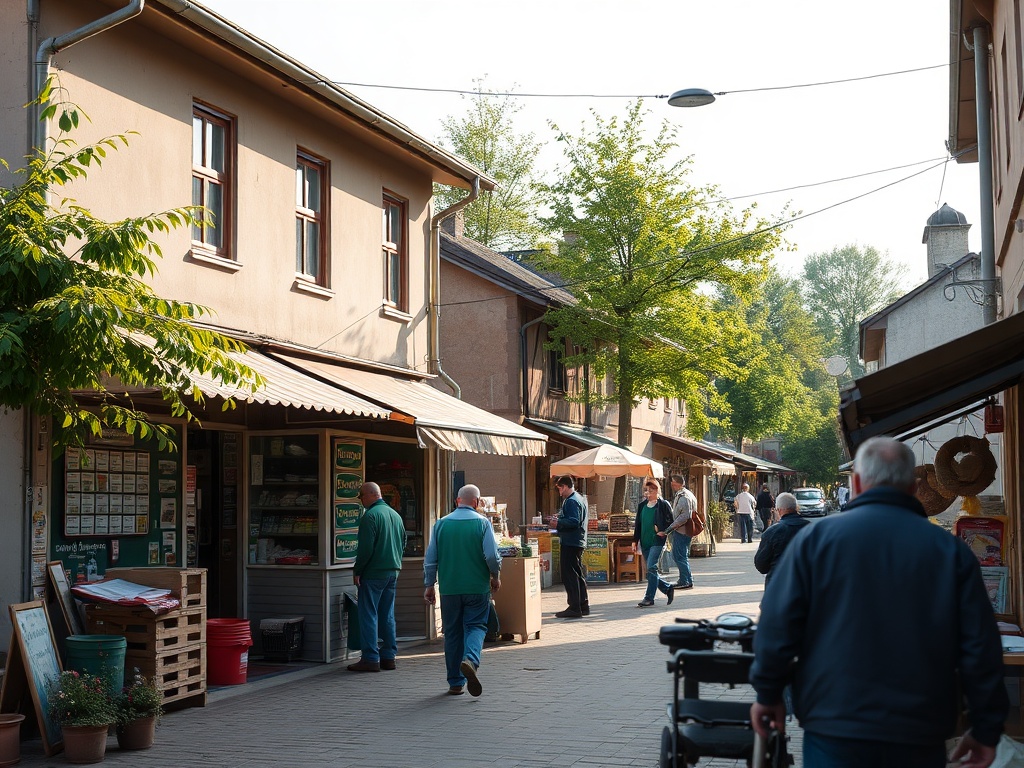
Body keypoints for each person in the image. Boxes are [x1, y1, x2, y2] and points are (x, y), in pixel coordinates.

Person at [750, 437, 1008, 768]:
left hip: (835, 724)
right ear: (914, 488)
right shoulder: (949, 551)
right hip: (919, 728)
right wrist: (987, 728)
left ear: (856, 483)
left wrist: (767, 693)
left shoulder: (815, 542)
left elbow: (777, 625)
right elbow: (980, 647)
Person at [423, 484, 501, 697]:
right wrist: (495, 577)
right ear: (476, 502)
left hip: (449, 588)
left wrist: (429, 585)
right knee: (476, 626)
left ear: (457, 501)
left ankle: (455, 683)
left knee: (452, 633)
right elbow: (492, 557)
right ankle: (471, 660)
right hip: (477, 587)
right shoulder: (483, 523)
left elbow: (430, 560)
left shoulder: (441, 524)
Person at [348, 482, 407, 673]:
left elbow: (365, 550)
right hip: (392, 572)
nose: (361, 501)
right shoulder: (395, 515)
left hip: (373, 573)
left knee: (368, 614)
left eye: (361, 497)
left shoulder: (370, 517)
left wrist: (358, 570)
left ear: (370, 495)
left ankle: (370, 658)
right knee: (387, 614)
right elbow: (403, 541)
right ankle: (389, 656)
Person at [631, 479, 676, 608]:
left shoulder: (663, 504)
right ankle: (667, 588)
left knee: (651, 567)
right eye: (646, 490)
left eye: (651, 490)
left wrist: (664, 531)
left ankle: (649, 598)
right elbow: (638, 525)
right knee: (651, 571)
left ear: (657, 491)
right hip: (645, 541)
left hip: (657, 541)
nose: (648, 493)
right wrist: (635, 541)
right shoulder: (642, 506)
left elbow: (671, 522)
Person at [752, 492, 807, 589]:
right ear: (796, 508)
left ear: (779, 510)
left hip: (778, 588)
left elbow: (761, 564)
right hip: (807, 587)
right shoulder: (814, 530)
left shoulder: (772, 532)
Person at [553, 475, 589, 618]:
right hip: (577, 541)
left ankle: (574, 607)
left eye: (560, 488)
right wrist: (561, 518)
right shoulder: (579, 498)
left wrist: (558, 523)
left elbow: (574, 521)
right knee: (577, 573)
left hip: (571, 541)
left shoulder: (572, 501)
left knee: (570, 574)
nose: (560, 492)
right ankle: (582, 605)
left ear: (566, 486)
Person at [664, 474, 697, 589]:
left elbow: (684, 516)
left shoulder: (684, 496)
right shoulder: (686, 494)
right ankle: (686, 579)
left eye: (672, 483)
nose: (671, 485)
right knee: (680, 555)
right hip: (683, 530)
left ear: (676, 483)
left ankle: (686, 580)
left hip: (682, 530)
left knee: (679, 556)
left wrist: (670, 528)